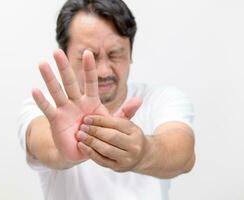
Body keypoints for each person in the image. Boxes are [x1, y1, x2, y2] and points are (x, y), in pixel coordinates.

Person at [17, 0, 195, 199]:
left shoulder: (162, 99)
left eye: (115, 55)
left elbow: (183, 154)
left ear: (130, 53)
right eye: (88, 56)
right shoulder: (46, 108)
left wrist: (143, 153)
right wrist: (62, 151)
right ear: (65, 55)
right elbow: (40, 141)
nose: (102, 71)